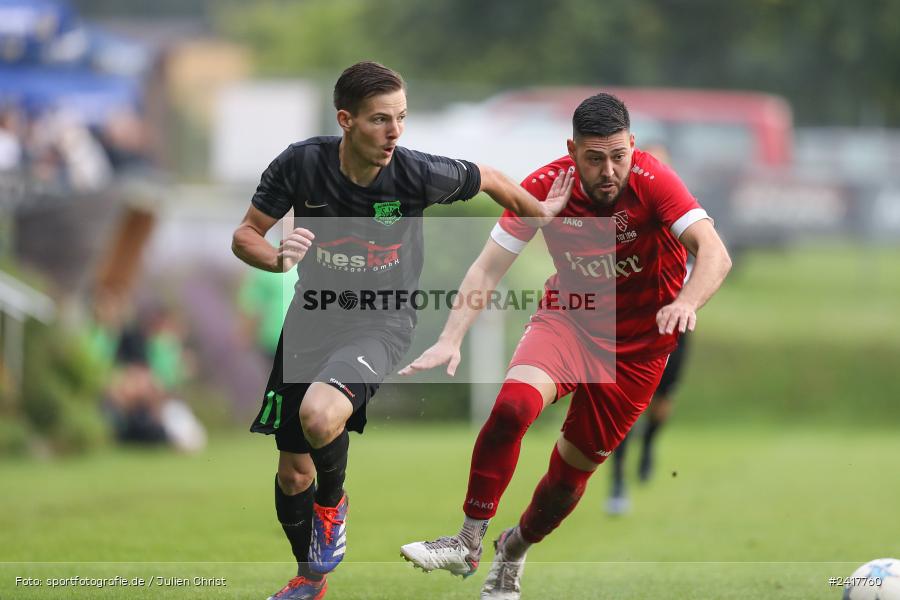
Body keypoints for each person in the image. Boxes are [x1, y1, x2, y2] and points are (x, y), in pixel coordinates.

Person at [231, 61, 572, 600]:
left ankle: (334, 505)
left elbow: (493, 180)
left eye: (402, 118)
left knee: (320, 415)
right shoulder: (301, 165)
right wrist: (275, 260)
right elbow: (245, 234)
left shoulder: (414, 173)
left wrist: (544, 217)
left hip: (381, 321)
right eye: (380, 120)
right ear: (346, 120)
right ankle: (309, 578)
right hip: (311, 319)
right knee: (293, 473)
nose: (395, 133)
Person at [398, 93, 732, 599]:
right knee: (512, 405)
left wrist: (687, 301)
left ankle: (512, 551)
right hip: (569, 321)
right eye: (594, 158)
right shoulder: (542, 186)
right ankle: (466, 543)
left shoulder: (653, 180)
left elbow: (714, 252)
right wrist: (451, 336)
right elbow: (488, 266)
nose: (608, 170)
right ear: (571, 149)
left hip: (640, 352)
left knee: (566, 480)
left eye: (618, 156)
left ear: (633, 146)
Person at [606, 140, 690, 515]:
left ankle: (650, 445)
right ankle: (618, 481)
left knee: (662, 403)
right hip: (626, 319)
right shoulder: (616, 212)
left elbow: (710, 256)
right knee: (623, 405)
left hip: (675, 320)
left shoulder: (682, 209)